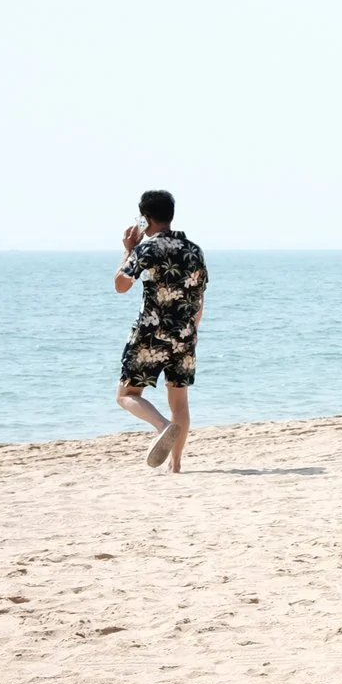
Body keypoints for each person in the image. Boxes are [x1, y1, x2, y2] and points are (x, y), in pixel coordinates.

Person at [113, 189, 208, 472]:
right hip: (185, 334)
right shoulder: (194, 251)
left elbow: (120, 285)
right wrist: (193, 331)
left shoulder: (147, 249)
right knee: (179, 400)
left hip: (151, 334)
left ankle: (162, 426)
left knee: (127, 394)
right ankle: (176, 465)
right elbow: (199, 297)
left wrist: (128, 249)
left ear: (146, 218)